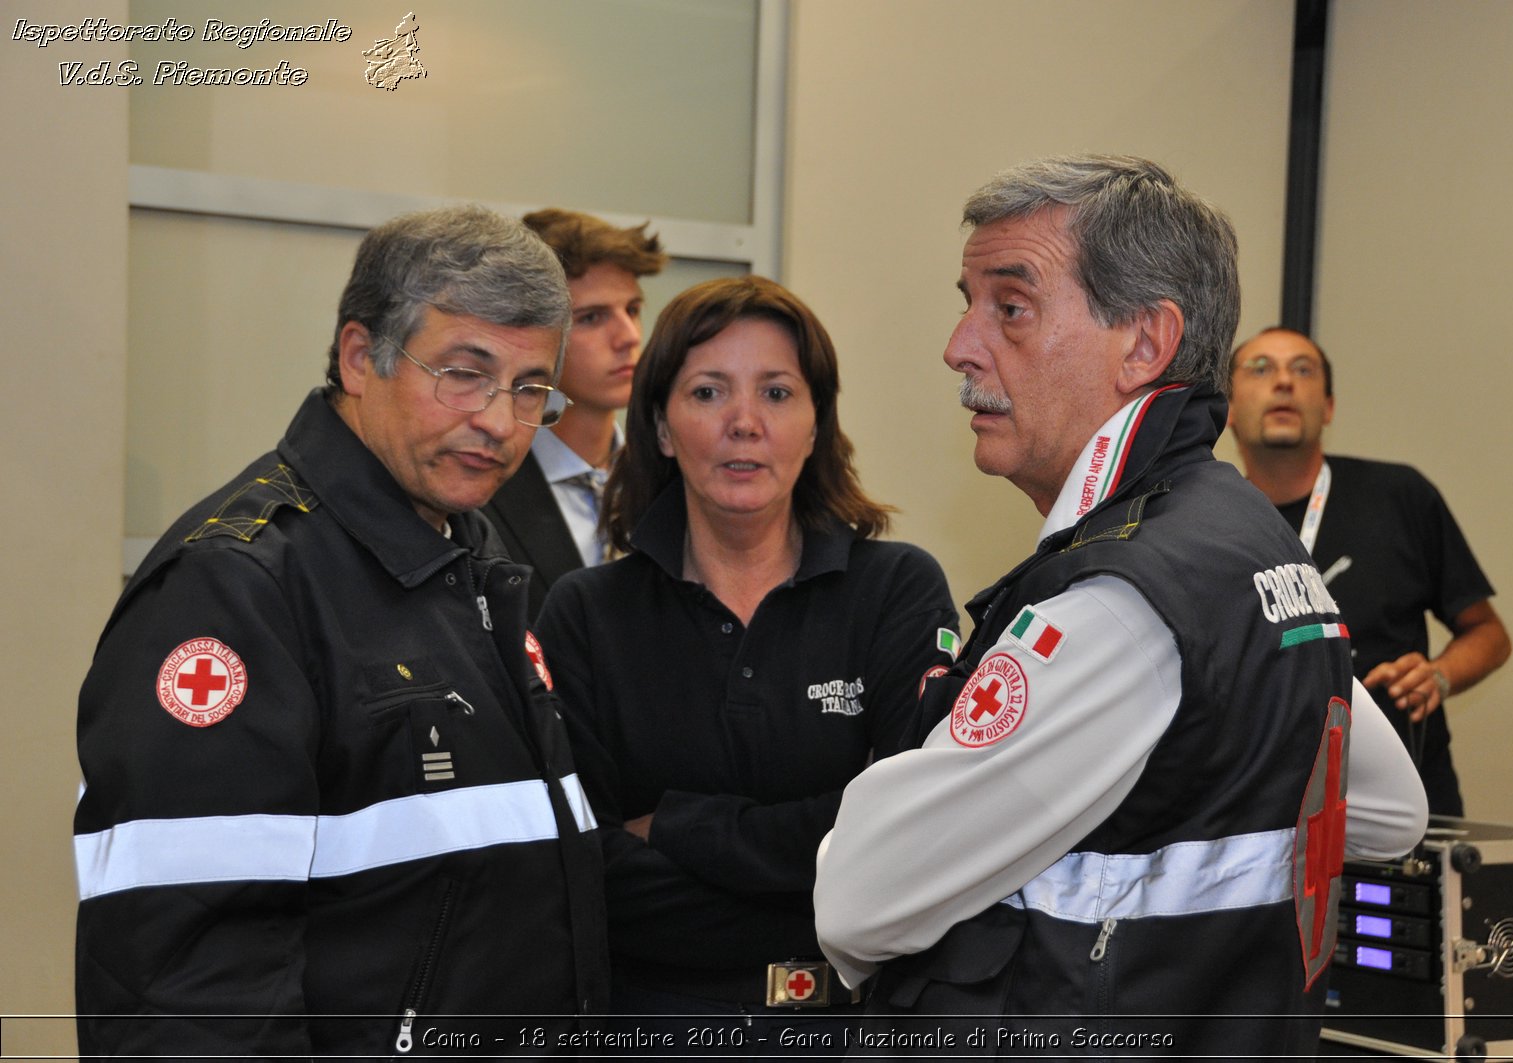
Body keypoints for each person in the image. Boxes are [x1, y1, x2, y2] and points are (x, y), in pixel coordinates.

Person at [812, 155, 1428, 1057]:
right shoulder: (1246, 536)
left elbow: (856, 901)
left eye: (1009, 307)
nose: (960, 344)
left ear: (1144, 343)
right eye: (967, 300)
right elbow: (1384, 807)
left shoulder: (1118, 599)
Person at [74, 206, 607, 1058]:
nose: (501, 423)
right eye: (465, 374)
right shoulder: (235, 587)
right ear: (361, 357)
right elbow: (187, 984)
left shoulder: (468, 544)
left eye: (529, 387)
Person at [533, 275, 960, 1051]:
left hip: (855, 1026)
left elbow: (915, 831)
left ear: (815, 422)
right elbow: (579, 867)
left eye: (775, 392)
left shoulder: (895, 589)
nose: (743, 423)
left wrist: (678, 826)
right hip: (647, 1023)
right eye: (707, 392)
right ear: (661, 427)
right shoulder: (586, 613)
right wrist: (815, 884)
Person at [1227, 326, 1512, 816]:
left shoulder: (1399, 497)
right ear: (1227, 408)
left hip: (1398, 804)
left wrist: (1439, 676)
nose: (1283, 383)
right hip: (1260, 809)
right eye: (1260, 368)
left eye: (1303, 369)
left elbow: (1490, 635)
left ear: (1330, 407)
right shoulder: (1207, 520)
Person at [483, 208, 667, 622]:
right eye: (593, 318)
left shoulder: (673, 476)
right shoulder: (479, 483)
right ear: (529, 331)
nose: (630, 336)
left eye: (633, 310)